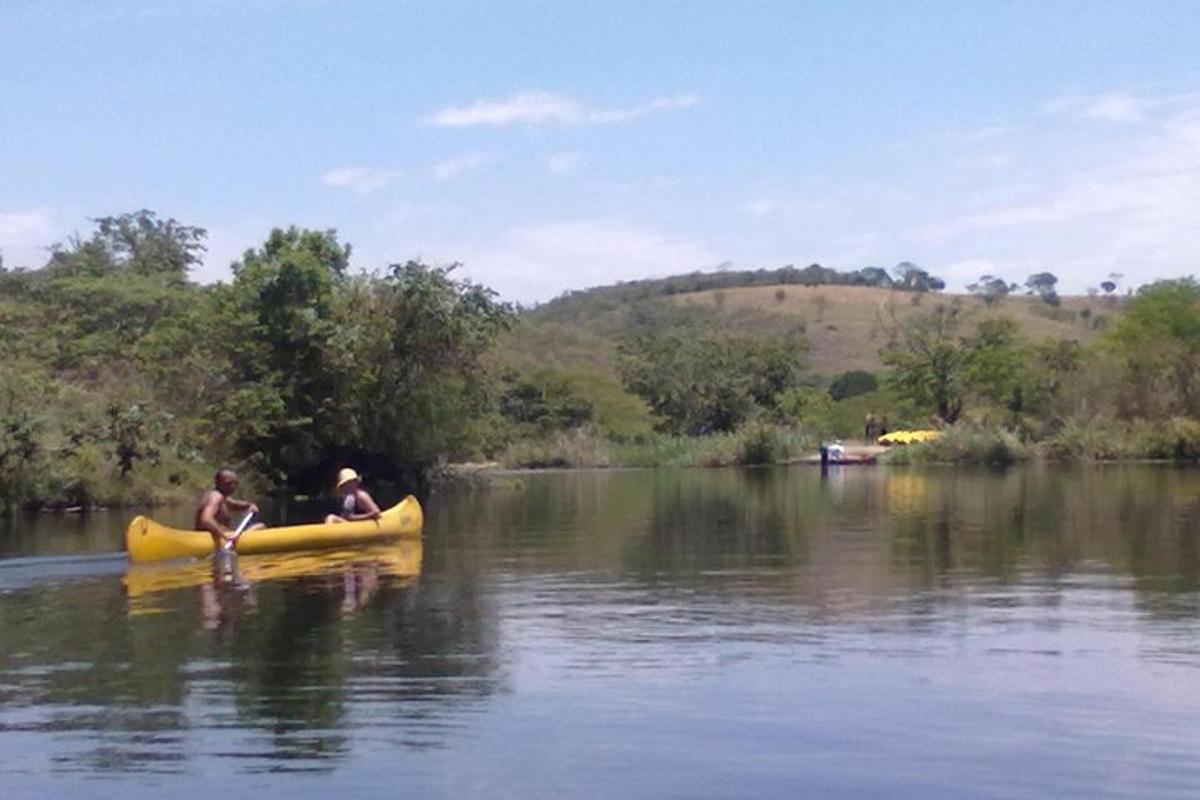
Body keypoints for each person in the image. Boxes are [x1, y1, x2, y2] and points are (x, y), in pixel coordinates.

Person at [194, 468, 264, 550]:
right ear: (219, 483)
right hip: (217, 539)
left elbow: (235, 505)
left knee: (260, 526)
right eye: (229, 483)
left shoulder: (222, 497)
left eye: (235, 483)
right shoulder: (216, 496)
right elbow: (206, 519)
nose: (233, 486)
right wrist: (225, 535)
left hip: (222, 537)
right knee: (260, 527)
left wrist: (249, 505)